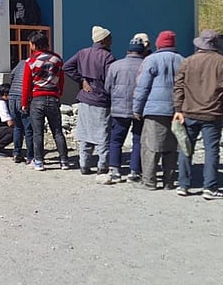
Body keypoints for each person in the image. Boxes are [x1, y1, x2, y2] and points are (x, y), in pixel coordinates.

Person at [173, 29, 223, 199]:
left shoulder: (188, 62)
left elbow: (178, 87)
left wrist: (178, 109)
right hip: (213, 113)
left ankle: (183, 184)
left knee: (185, 148)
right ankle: (210, 187)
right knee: (211, 150)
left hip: (189, 111)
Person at [133, 30, 184, 190]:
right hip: (176, 110)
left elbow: (142, 86)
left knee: (150, 146)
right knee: (171, 147)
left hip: (154, 110)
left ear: (159, 43)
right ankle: (169, 181)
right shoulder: (183, 60)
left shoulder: (151, 60)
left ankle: (149, 181)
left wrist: (137, 109)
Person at [64, 25, 115, 179]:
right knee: (102, 135)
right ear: (104, 39)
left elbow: (67, 67)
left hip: (85, 99)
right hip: (101, 99)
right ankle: (102, 166)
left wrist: (82, 80)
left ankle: (84, 165)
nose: (112, 40)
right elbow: (111, 79)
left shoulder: (83, 53)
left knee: (85, 134)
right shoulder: (108, 57)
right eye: (110, 38)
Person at [21, 31, 68, 171]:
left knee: (37, 132)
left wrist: (24, 103)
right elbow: (61, 80)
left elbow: (26, 84)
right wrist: (58, 94)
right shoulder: (57, 59)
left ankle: (39, 161)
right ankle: (64, 161)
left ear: (35, 45)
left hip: (37, 99)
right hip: (53, 97)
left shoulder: (30, 61)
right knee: (58, 131)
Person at [105, 36, 146, 182]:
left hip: (119, 108)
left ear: (128, 50)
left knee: (116, 140)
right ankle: (134, 171)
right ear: (142, 51)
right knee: (138, 140)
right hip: (140, 109)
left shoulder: (115, 65)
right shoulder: (145, 65)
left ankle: (114, 170)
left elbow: (107, 87)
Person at [9, 58, 34, 164]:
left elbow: (11, 76)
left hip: (12, 96)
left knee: (18, 127)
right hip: (23, 97)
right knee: (28, 129)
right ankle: (30, 156)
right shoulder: (35, 64)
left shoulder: (21, 62)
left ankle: (16, 154)